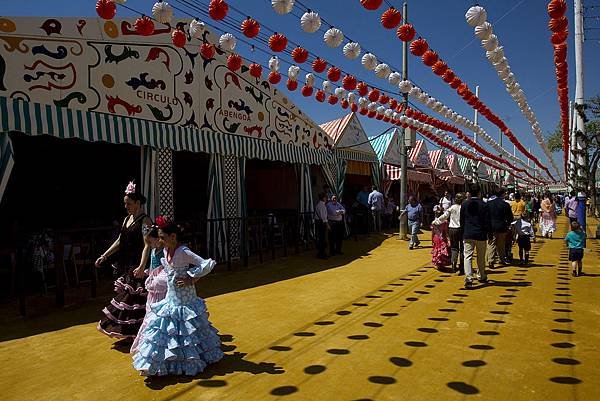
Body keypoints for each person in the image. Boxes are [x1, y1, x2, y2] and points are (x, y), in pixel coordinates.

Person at [132, 220, 223, 376]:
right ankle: (168, 361)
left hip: (186, 300)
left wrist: (191, 278)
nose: (160, 241)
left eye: (162, 237)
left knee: (187, 332)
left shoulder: (183, 252)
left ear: (173, 236)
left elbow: (205, 264)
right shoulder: (167, 250)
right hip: (172, 297)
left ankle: (189, 360)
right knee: (169, 329)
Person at [96, 181, 152, 340]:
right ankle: (132, 334)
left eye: (129, 203)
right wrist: (105, 255)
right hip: (126, 263)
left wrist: (142, 266)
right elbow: (120, 240)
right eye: (125, 204)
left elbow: (147, 245)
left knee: (135, 300)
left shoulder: (145, 220)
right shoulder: (127, 219)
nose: (126, 206)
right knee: (130, 301)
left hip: (139, 264)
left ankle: (141, 334)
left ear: (137, 203)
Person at [130, 223, 168, 354]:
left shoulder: (164, 251)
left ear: (158, 239)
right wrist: (147, 271)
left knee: (159, 312)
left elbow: (165, 269)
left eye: (151, 242)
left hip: (161, 287)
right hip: (153, 287)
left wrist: (156, 277)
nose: (150, 245)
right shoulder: (153, 250)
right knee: (150, 312)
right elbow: (153, 267)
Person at [460, 183, 490, 288]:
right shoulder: (484, 205)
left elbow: (462, 221)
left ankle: (469, 278)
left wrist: (463, 232)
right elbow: (487, 221)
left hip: (468, 233)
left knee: (467, 256)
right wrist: (488, 233)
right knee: (481, 257)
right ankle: (481, 275)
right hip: (481, 234)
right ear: (479, 192)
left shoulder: (464, 205)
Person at [433, 193, 465, 274]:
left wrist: (436, 221)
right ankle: (462, 267)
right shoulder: (464, 207)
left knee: (454, 248)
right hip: (462, 229)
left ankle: (454, 265)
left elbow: (444, 216)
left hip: (452, 229)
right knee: (462, 249)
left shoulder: (452, 207)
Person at [487, 188, 514, 268]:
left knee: (491, 243)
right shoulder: (505, 204)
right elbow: (510, 217)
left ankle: (490, 260)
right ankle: (501, 259)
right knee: (501, 244)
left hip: (491, 226)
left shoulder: (489, 203)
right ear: (502, 194)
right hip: (502, 226)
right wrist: (507, 224)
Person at [431, 206, 451, 270]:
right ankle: (441, 263)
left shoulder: (434, 222)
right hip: (443, 238)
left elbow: (433, 232)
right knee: (442, 250)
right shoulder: (445, 222)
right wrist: (448, 240)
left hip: (436, 238)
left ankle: (437, 263)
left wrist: (432, 240)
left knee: (437, 250)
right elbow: (446, 232)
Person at [314, 193, 329, 259]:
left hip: (318, 222)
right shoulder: (322, 205)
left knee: (321, 238)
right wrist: (327, 225)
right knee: (322, 238)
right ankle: (322, 254)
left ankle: (321, 253)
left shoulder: (318, 205)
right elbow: (323, 217)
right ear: (323, 198)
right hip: (321, 223)